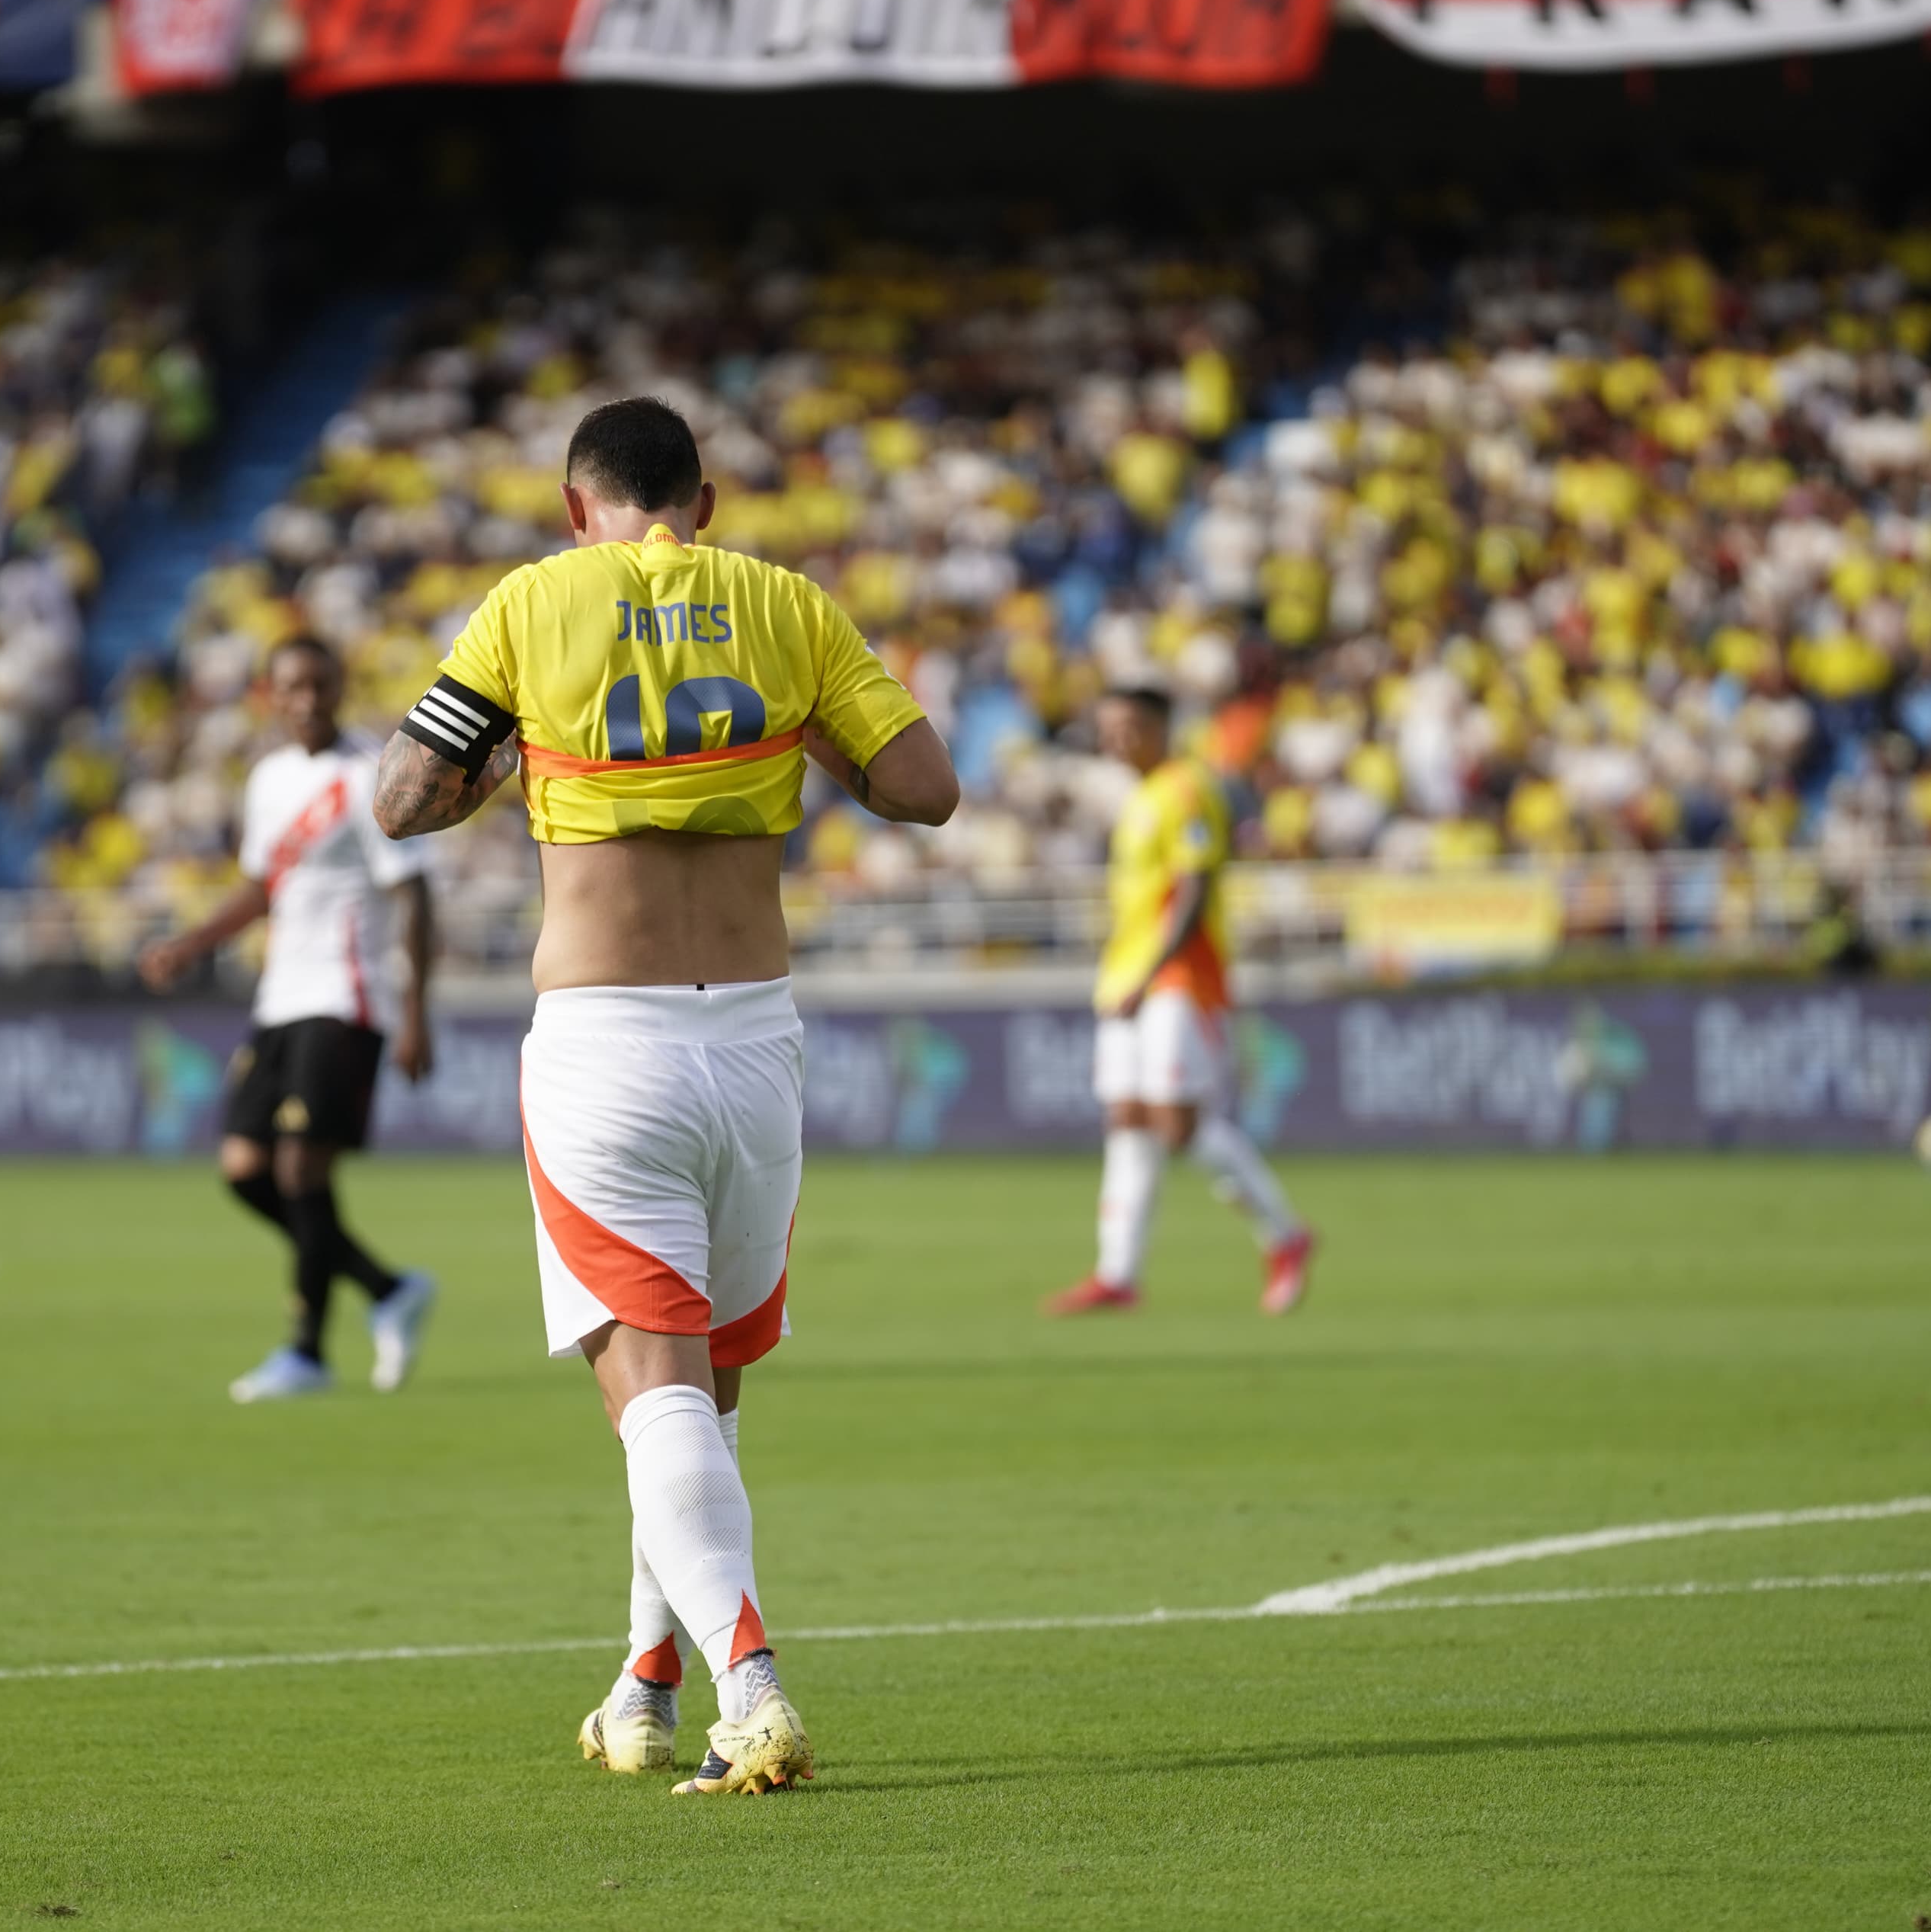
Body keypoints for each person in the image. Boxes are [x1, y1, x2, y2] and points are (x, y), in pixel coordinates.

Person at [375, 396, 957, 1797]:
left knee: (654, 1396)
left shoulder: (529, 605)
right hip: (756, 1040)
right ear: (705, 497)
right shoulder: (787, 605)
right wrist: (803, 729)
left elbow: (399, 797)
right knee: (702, 1391)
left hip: (604, 1038)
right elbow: (923, 788)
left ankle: (750, 1685)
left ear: (580, 506)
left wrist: (501, 772)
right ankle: (646, 1678)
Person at [142, 634, 440, 1403]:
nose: (306, 699)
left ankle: (306, 1352)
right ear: (271, 696)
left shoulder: (371, 775)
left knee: (300, 1169)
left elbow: (414, 895)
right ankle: (384, 1287)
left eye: (319, 684)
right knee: (244, 1171)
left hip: (347, 997)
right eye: (290, 687)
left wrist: (415, 1015)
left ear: (339, 686)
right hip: (280, 998)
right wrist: (190, 944)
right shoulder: (270, 778)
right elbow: (260, 886)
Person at [1046, 686, 1315, 1319]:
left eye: (1129, 727)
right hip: (1126, 978)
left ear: (1162, 726)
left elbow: (1196, 888)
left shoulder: (1187, 788)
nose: (1117, 740)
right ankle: (1117, 1272)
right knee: (1129, 1119)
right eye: (1108, 729)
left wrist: (1151, 971)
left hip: (1177, 979)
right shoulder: (1140, 796)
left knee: (1178, 1123)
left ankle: (1285, 1234)